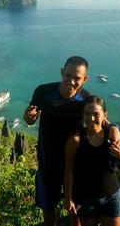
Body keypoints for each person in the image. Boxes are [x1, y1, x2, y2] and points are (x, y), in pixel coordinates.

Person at [23, 56, 90, 226]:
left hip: (75, 163)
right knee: (48, 206)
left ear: (85, 80)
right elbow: (30, 119)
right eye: (68, 75)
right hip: (48, 160)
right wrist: (28, 117)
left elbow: (101, 124)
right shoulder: (43, 92)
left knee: (76, 207)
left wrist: (116, 135)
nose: (71, 81)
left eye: (77, 78)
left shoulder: (86, 100)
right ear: (62, 72)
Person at [64, 96, 120, 226]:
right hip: (85, 199)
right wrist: (68, 198)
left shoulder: (112, 135)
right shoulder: (76, 140)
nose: (91, 118)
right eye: (87, 114)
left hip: (112, 196)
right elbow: (68, 170)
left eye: (96, 114)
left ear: (104, 115)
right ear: (83, 115)